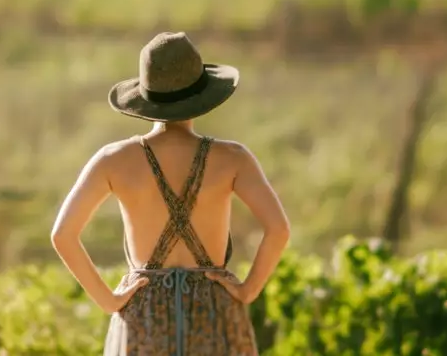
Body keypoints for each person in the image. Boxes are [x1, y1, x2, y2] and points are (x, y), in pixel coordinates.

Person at [51, 31, 291, 356]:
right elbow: (278, 230)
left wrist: (109, 300)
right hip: (214, 309)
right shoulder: (233, 159)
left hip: (144, 313)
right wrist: (248, 290)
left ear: (145, 96)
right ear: (203, 94)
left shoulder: (113, 160)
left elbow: (63, 235)